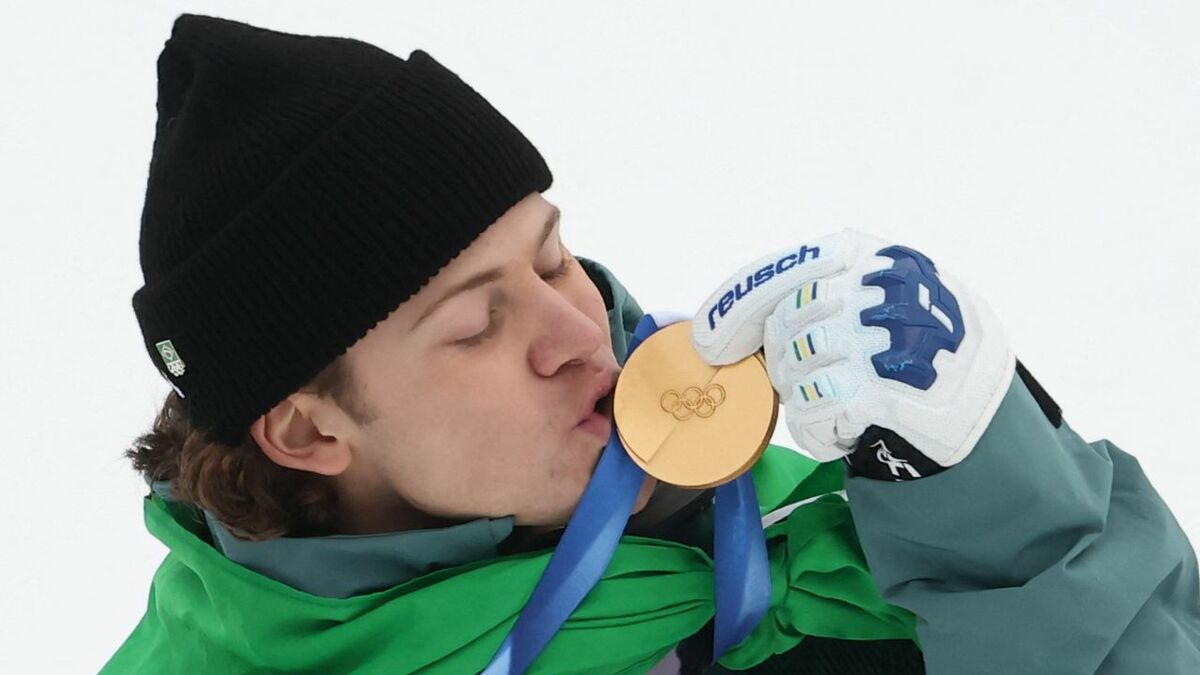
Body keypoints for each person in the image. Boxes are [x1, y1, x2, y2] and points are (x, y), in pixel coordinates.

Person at [103, 13, 1200, 674]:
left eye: (551, 259)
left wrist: (994, 498)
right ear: (307, 431)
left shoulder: (795, 543)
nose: (581, 330)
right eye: (478, 325)